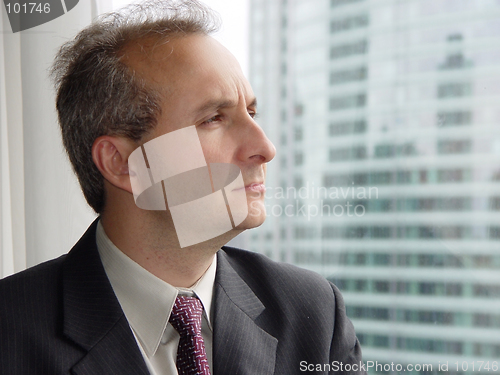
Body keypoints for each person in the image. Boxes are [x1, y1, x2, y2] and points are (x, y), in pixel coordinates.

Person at [0, 1, 365, 374]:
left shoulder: (314, 312)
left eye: (251, 114)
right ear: (122, 163)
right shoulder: (8, 334)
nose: (265, 149)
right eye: (213, 119)